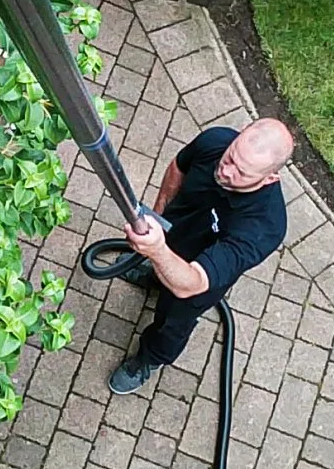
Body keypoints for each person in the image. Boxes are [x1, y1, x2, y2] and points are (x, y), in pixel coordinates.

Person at [107, 117, 295, 394]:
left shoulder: (264, 227)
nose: (227, 170)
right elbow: (177, 169)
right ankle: (153, 277)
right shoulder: (216, 141)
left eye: (242, 172)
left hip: (197, 281)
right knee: (161, 270)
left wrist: (156, 250)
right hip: (175, 238)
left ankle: (149, 359)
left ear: (269, 178)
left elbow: (191, 283)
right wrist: (156, 219)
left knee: (172, 322)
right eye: (231, 157)